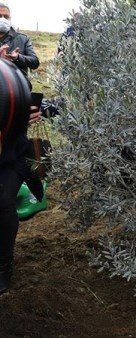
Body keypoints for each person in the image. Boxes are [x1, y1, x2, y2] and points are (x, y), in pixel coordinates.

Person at [0, 58, 39, 294]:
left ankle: (4, 268)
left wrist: (31, 111)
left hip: (12, 159)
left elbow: (26, 101)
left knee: (3, 202)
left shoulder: (10, 78)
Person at [0, 3, 39, 84]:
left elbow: (35, 62)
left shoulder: (23, 39)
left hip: (18, 85)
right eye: (0, 16)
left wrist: (17, 58)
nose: (3, 19)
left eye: (6, 17)